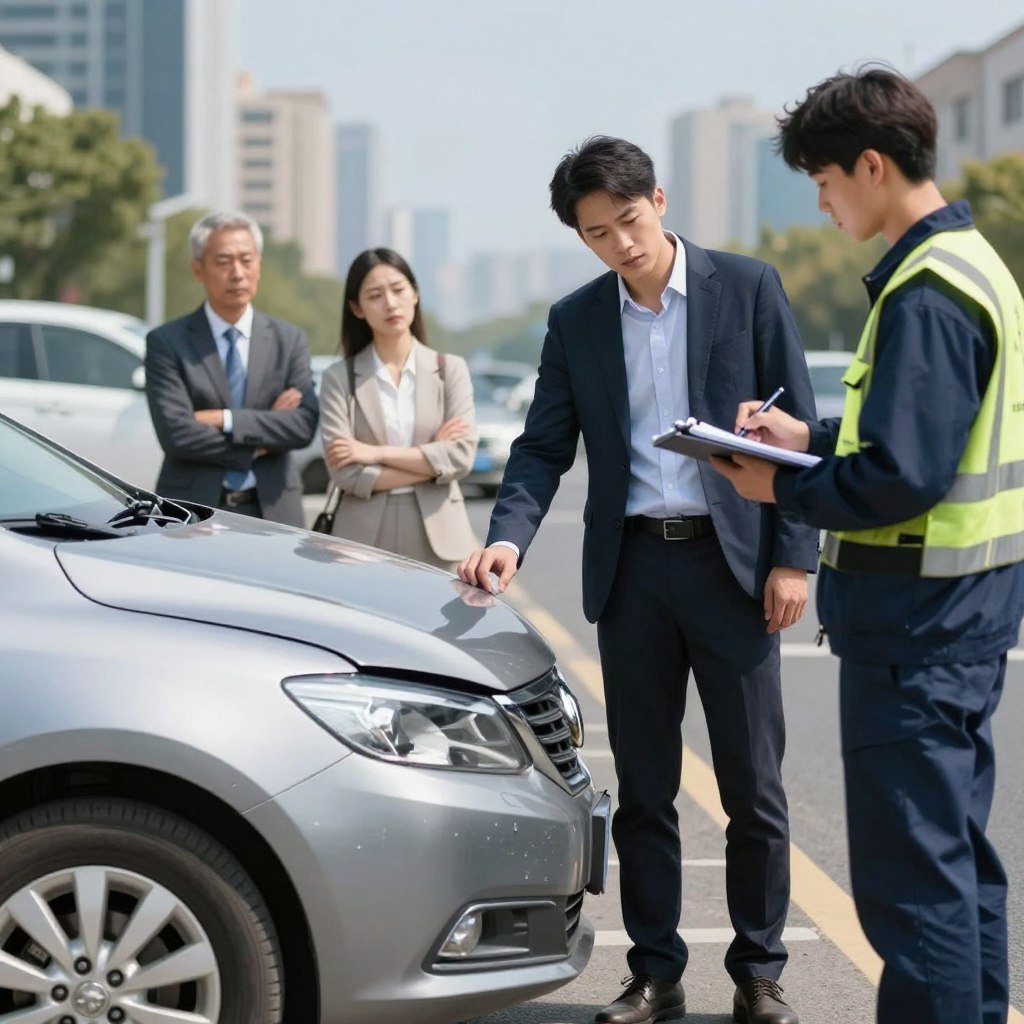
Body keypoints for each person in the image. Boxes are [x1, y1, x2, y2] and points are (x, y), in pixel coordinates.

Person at [459, 136, 819, 1024]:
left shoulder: (748, 288)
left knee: (754, 788)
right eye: (598, 234)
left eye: (629, 220)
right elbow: (543, 445)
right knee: (646, 790)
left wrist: (792, 557)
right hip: (633, 572)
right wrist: (506, 538)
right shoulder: (577, 320)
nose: (621, 244)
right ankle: (655, 971)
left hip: (731, 566)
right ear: (580, 240)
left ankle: (760, 972)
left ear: (659, 200)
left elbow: (799, 427)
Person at [710, 69, 1024, 1024]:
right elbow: (921, 443)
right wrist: (814, 442)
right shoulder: (976, 265)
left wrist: (779, 483)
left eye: (825, 180)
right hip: (961, 616)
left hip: (915, 630)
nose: (821, 200)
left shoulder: (926, 292)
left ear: (874, 166)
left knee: (912, 885)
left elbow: (902, 477)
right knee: (956, 865)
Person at [145, 211, 318, 525]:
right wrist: (259, 443)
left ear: (259, 266)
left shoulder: (289, 340)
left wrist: (223, 419)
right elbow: (178, 434)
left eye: (246, 259)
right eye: (223, 261)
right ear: (198, 269)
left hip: (273, 509)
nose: (237, 272)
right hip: (192, 510)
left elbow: (302, 425)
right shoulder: (167, 342)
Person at [319, 248, 478, 571]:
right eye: (375, 295)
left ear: (415, 294)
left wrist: (372, 453)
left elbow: (460, 458)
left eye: (398, 290)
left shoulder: (449, 370)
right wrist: (432, 462)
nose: (390, 303)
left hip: (439, 532)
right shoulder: (339, 378)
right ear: (357, 308)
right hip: (360, 538)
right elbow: (345, 473)